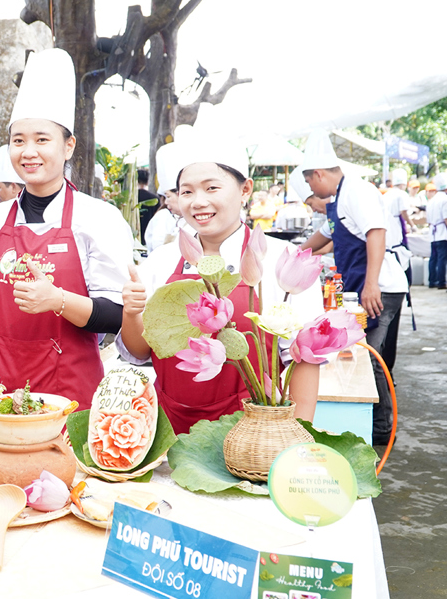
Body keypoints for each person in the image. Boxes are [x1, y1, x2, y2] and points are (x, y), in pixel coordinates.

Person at [0, 48, 134, 429]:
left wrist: (57, 300)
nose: (28, 152)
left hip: (69, 387)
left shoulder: (98, 218)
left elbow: (119, 316)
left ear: (69, 145)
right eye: (18, 141)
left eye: (42, 140)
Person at [119, 140, 322, 435]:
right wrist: (132, 312)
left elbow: (304, 359)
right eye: (186, 191)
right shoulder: (160, 262)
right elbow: (140, 352)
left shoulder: (284, 261)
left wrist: (298, 437)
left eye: (211, 188)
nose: (197, 201)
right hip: (167, 429)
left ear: (245, 189)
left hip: (253, 433)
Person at [298, 132, 407, 446]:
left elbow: (376, 233)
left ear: (318, 174)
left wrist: (371, 284)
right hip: (363, 286)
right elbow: (323, 235)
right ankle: (378, 418)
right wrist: (294, 256)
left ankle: (382, 431)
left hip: (381, 286)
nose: (311, 190)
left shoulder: (357, 190)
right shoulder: (339, 198)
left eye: (309, 184)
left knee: (370, 357)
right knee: (371, 355)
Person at [425, 173, 447, 289]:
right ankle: (441, 282)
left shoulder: (431, 200)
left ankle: (432, 281)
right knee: (442, 259)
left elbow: (428, 220)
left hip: (433, 233)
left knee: (433, 258)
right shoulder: (446, 200)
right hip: (442, 233)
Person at [137, 168, 159, 238]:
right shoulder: (154, 198)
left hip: (135, 232)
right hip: (149, 232)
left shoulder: (131, 199)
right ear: (147, 182)